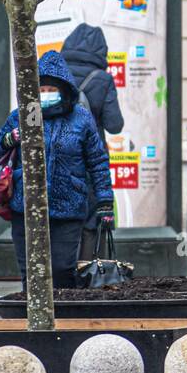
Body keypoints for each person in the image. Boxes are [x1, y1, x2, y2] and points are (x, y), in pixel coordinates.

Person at [0, 50, 115, 290]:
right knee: (30, 271)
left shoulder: (81, 119)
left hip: (68, 208)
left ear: (64, 90)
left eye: (51, 90)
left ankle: (65, 317)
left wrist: (105, 202)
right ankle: (33, 321)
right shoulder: (21, 116)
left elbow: (98, 161)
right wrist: (11, 138)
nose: (46, 95)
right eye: (42, 90)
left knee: (62, 269)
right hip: (26, 207)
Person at [60, 23, 125, 259]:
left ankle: (60, 274)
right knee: (90, 217)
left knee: (60, 215)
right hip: (91, 159)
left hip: (58, 155)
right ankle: (86, 269)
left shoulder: (56, 74)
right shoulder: (102, 80)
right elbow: (114, 125)